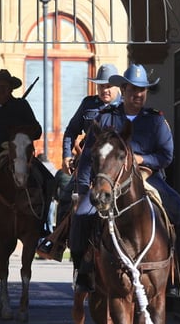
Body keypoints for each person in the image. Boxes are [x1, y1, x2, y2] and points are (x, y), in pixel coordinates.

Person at [69, 63, 180, 296]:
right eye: (133, 89)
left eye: (142, 90)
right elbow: (88, 155)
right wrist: (84, 188)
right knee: (80, 216)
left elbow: (166, 155)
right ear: (124, 89)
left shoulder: (155, 120)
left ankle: (175, 271)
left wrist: (141, 159)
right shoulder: (105, 118)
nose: (138, 94)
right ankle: (84, 270)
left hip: (148, 178)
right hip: (108, 180)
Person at [37, 63, 121, 259]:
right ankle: (58, 242)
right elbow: (71, 131)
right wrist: (67, 154)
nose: (104, 90)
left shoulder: (125, 108)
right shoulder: (88, 104)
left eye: (108, 86)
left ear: (117, 87)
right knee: (68, 199)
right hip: (87, 166)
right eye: (101, 86)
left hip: (115, 168)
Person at [0, 69, 53, 236]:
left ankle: (41, 223)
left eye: (5, 86)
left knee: (48, 180)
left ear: (11, 88)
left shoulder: (21, 105)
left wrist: (20, 131)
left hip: (19, 153)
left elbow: (37, 130)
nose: (2, 90)